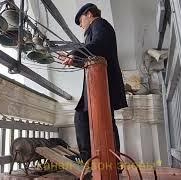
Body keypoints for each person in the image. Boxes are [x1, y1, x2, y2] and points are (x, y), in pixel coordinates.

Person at [57, 3, 128, 164]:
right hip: (97, 83)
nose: (81, 26)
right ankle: (102, 162)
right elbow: (91, 55)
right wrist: (72, 59)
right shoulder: (95, 29)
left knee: (89, 119)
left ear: (89, 14)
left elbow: (99, 45)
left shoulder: (100, 24)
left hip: (103, 83)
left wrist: (74, 53)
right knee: (95, 119)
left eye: (81, 21)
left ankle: (93, 162)